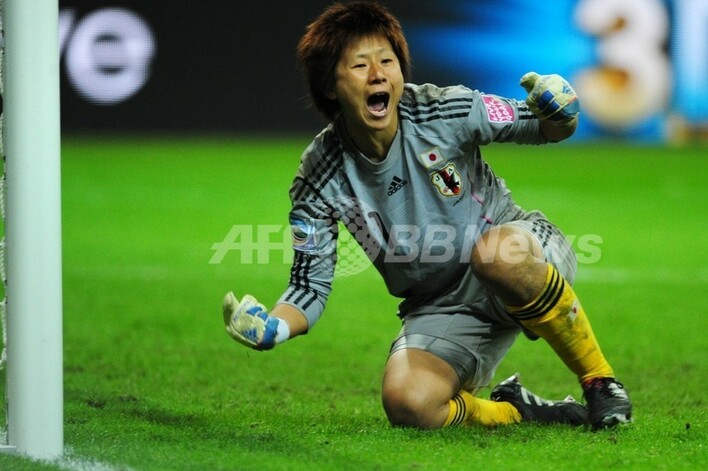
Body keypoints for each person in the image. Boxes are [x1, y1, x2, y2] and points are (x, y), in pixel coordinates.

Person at [222, 1, 632, 430]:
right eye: (360, 65)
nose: (378, 74)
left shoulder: (442, 109)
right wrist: (274, 328)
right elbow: (309, 284)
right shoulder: (320, 176)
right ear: (329, 85)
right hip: (440, 305)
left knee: (496, 255)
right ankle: (520, 412)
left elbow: (546, 126)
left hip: (522, 251)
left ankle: (601, 383)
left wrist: (561, 110)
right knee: (409, 403)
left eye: (387, 61)